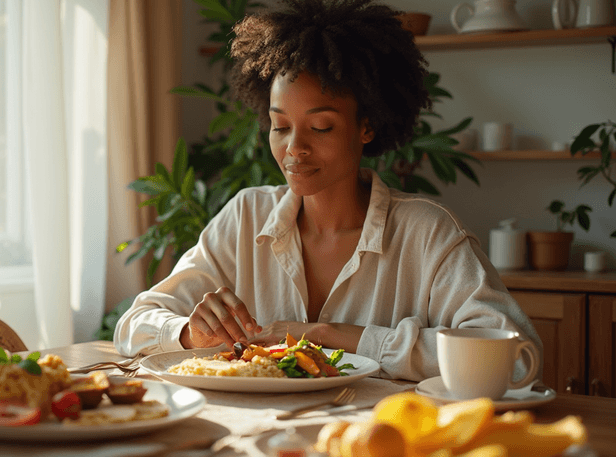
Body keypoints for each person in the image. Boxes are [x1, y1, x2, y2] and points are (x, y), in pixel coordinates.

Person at [113, 0, 542, 382]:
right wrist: (188, 332)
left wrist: (330, 337)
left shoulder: (427, 234)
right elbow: (132, 325)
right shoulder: (246, 217)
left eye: (321, 127)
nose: (294, 149)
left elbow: (518, 358)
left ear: (367, 126)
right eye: (280, 126)